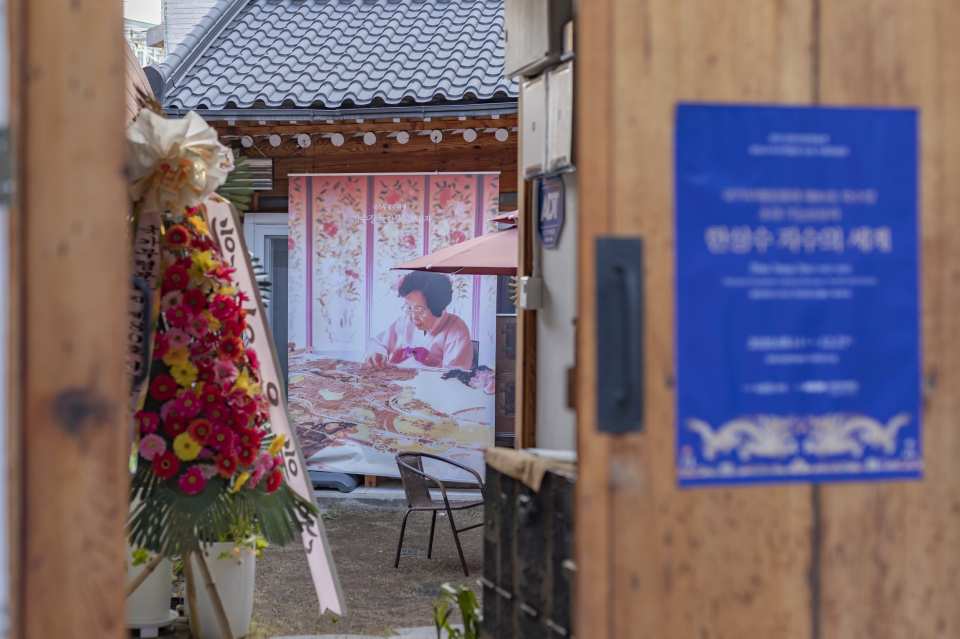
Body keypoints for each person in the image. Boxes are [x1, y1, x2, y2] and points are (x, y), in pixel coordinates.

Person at [365, 271, 474, 370]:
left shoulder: (456, 330)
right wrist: (378, 353)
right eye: (409, 307)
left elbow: (454, 376)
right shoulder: (405, 322)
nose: (413, 316)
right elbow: (379, 343)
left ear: (437, 306)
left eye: (419, 309)